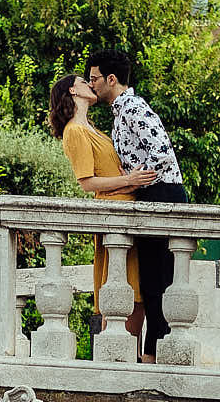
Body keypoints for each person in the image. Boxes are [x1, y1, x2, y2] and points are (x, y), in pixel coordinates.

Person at [83, 49, 186, 356]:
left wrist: (137, 177)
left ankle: (155, 356)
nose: (92, 86)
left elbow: (162, 153)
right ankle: (153, 354)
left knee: (157, 284)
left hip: (161, 194)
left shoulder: (132, 107)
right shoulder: (122, 110)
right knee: (152, 282)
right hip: (154, 194)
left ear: (111, 79)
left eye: (94, 79)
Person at [49, 72, 154, 342]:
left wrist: (129, 182)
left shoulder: (91, 127)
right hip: (112, 211)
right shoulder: (74, 131)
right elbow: (86, 182)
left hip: (125, 205)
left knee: (136, 292)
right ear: (73, 91)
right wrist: (128, 180)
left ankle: (130, 354)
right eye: (84, 82)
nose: (90, 84)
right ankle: (116, 353)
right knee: (121, 291)